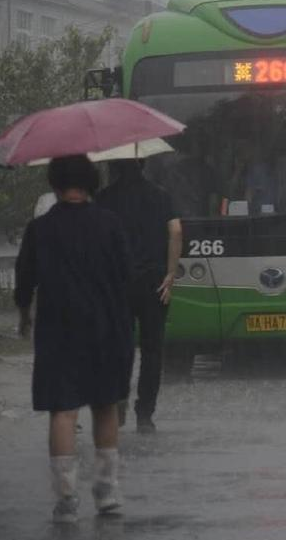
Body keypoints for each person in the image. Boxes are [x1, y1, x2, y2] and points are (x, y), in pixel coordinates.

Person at [13, 155, 132, 523]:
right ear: (91, 182)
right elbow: (126, 276)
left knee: (63, 411)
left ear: (55, 185)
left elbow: (24, 280)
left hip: (57, 330)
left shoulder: (40, 229)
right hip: (105, 327)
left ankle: (66, 502)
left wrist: (23, 315)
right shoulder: (110, 224)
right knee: (105, 404)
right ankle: (108, 492)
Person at [97, 159, 182, 434]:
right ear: (144, 163)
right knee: (152, 350)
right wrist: (170, 274)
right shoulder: (161, 195)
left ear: (115, 166)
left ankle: (118, 402)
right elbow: (176, 231)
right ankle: (145, 414)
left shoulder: (104, 199)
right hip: (154, 282)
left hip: (117, 284)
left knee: (118, 347)